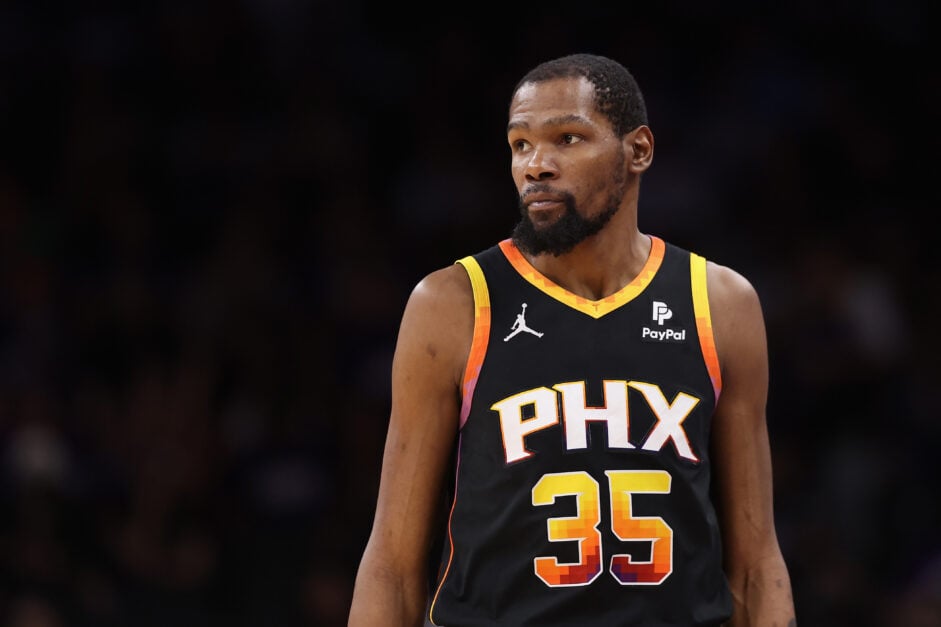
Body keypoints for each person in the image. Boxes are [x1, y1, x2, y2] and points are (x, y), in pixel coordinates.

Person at [348, 52, 796, 626]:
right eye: (520, 145)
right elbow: (392, 561)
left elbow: (757, 563)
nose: (537, 165)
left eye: (567, 138)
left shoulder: (720, 303)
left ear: (638, 151)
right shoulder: (452, 304)